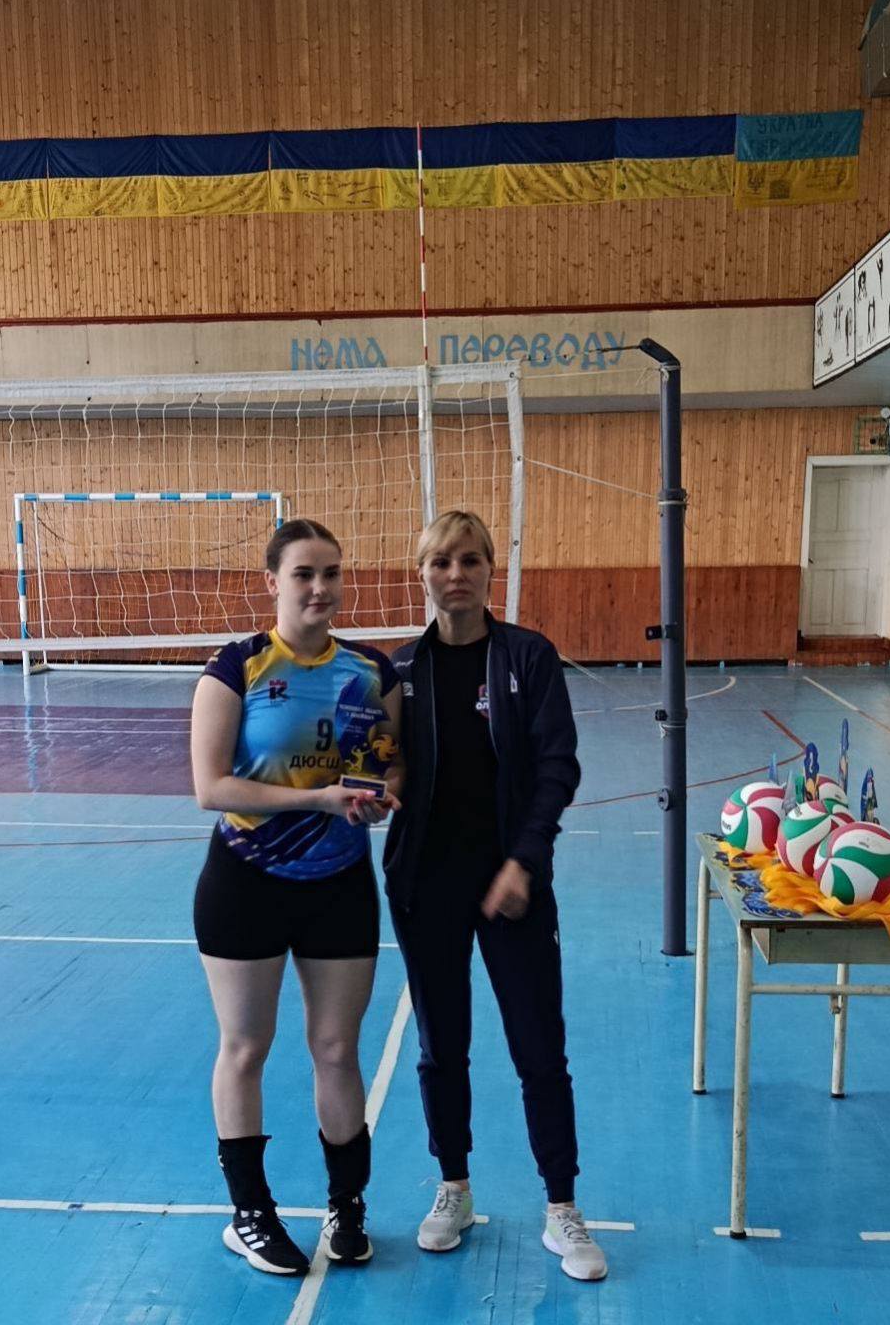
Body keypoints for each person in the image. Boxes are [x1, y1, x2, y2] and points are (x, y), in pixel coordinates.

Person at [383, 509, 607, 1283]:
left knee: (539, 1048)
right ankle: (454, 1188)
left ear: (489, 570)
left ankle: (562, 1206)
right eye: (441, 561)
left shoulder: (528, 657)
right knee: (441, 1047)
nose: (456, 574)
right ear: (422, 573)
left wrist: (524, 862)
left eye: (470, 560)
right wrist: (372, 788)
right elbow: (386, 765)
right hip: (425, 885)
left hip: (514, 884)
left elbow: (558, 767)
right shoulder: (399, 670)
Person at [190, 518, 402, 1276]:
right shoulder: (235, 667)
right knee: (245, 1047)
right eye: (304, 573)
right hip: (245, 881)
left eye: (331, 572)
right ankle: (250, 1214)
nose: (321, 587)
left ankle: (348, 1207)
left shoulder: (372, 671)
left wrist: (381, 796)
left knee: (337, 1050)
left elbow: (392, 765)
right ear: (272, 581)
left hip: (338, 885)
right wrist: (317, 800)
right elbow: (211, 787)